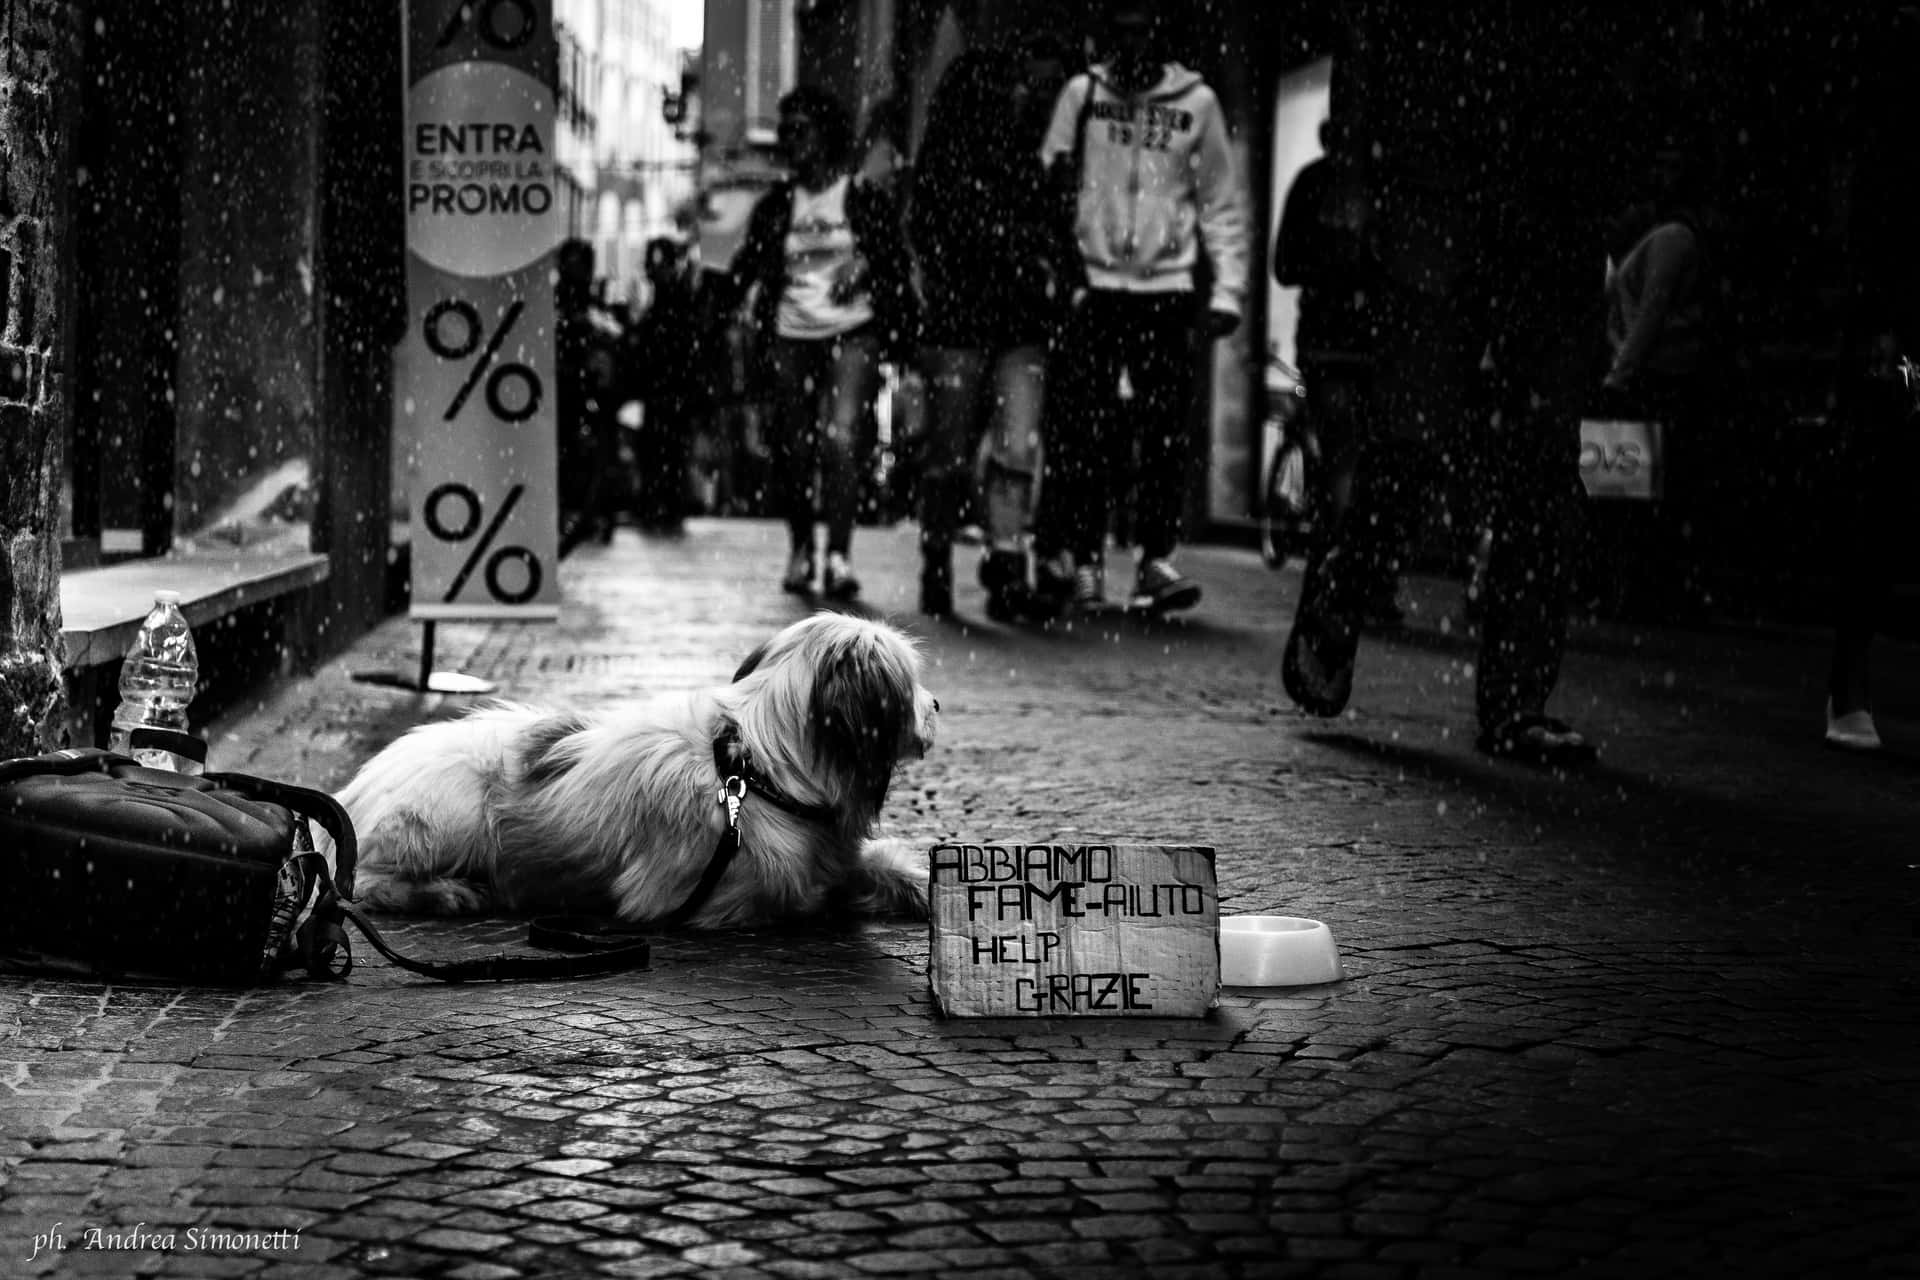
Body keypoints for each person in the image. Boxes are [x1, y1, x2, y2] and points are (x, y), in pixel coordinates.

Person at [1280, 3, 1642, 767]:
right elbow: (1371, 26)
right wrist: (1354, 167)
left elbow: (1631, 53)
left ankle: (1517, 702)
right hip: (1435, 188)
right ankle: (1346, 587)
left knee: (1544, 458)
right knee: (1413, 433)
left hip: (1554, 204)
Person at [1033, 0, 1249, 617]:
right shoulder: (1083, 95)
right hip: (1094, 287)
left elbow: (1220, 203)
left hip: (1166, 287)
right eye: (1121, 34)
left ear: (1160, 38)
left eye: (1142, 32)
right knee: (1083, 429)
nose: (1131, 46)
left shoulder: (1195, 104)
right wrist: (1066, 273)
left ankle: (1154, 558)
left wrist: (1227, 290)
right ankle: (1088, 559)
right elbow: (1050, 186)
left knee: (1162, 429)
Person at [722, 86, 919, 599]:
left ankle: (838, 554)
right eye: (787, 132)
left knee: (840, 438)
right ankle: (801, 546)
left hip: (853, 331)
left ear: (826, 134)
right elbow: (748, 266)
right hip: (790, 335)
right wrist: (720, 305)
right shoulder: (778, 205)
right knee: (794, 446)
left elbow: (896, 261)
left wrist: (867, 265)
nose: (793, 142)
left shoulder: (860, 197)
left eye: (801, 130)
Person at [908, 49, 1082, 620]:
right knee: (953, 454)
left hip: (1012, 321)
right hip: (967, 320)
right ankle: (940, 555)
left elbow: (1048, 228)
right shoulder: (948, 163)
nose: (1022, 98)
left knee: (1013, 447)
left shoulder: (1026, 160)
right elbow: (932, 235)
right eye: (1011, 88)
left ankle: (1005, 566)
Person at [1822, 5, 1920, 751]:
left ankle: (1849, 680)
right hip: (1895, 317)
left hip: (1892, 312)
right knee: (1878, 502)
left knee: (1879, 502)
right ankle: (1846, 680)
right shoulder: (1890, 101)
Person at [1272, 116, 1404, 627]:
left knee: (1345, 459)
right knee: (1371, 457)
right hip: (1371, 343)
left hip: (1336, 342)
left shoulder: (1316, 186)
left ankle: (1343, 571)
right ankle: (1365, 572)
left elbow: (1286, 264)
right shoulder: (1386, 190)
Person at [627, 236, 707, 533]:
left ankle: (663, 505)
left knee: (665, 449)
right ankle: (663, 504)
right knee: (663, 449)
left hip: (669, 390)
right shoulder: (671, 302)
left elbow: (678, 348)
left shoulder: (674, 304)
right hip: (666, 390)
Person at [555, 238, 624, 554]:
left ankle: (591, 514)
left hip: (582, 393)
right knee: (574, 459)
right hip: (567, 391)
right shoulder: (571, 308)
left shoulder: (593, 310)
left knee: (586, 460)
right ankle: (584, 514)